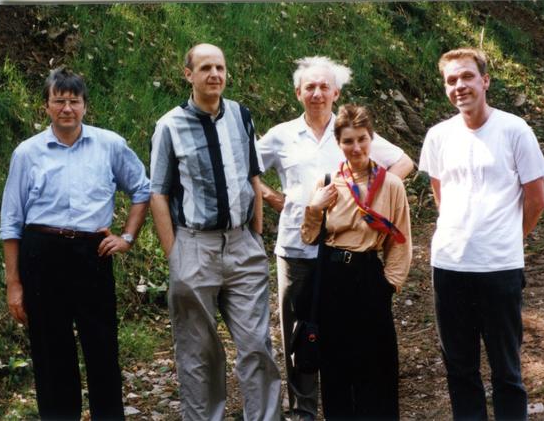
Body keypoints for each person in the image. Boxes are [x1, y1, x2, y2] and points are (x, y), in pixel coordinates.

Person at [256, 55, 413, 421]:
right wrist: (276, 198)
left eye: (324, 86)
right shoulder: (281, 135)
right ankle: (304, 410)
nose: (317, 93)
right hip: (298, 250)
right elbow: (247, 168)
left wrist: (377, 197)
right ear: (298, 92)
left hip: (352, 263)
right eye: (309, 87)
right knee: (302, 334)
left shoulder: (347, 130)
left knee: (359, 345)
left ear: (336, 92)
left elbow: (403, 162)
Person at [0, 67, 150, 420]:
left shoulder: (109, 144)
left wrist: (127, 237)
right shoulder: (27, 153)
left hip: (92, 254)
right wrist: (14, 283)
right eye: (59, 101)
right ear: (46, 106)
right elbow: (10, 221)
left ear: (84, 106)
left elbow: (142, 188)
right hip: (42, 254)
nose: (67, 108)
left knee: (101, 347)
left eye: (74, 101)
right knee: (51, 352)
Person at [149, 43, 281, 421]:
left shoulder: (241, 115)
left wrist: (256, 234)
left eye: (220, 67)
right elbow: (158, 193)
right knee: (198, 353)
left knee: (257, 345)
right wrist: (175, 254)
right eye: (205, 67)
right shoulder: (169, 126)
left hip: (243, 245)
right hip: (195, 247)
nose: (215, 75)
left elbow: (254, 177)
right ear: (187, 74)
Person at [418, 47, 544, 420]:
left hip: (499, 270)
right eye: (451, 80)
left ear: (485, 80)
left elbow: (536, 199)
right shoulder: (438, 136)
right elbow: (441, 195)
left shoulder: (514, 130)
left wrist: (510, 238)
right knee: (460, 370)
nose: (459, 86)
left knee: (506, 370)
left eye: (467, 77)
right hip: (449, 266)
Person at [301, 104, 412, 420]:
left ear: (371, 138)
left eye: (362, 139)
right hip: (333, 278)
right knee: (336, 365)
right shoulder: (328, 182)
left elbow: (400, 240)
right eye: (348, 141)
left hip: (369, 276)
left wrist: (389, 284)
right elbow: (308, 237)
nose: (357, 147)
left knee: (375, 364)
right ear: (339, 143)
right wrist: (313, 207)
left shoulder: (391, 185)